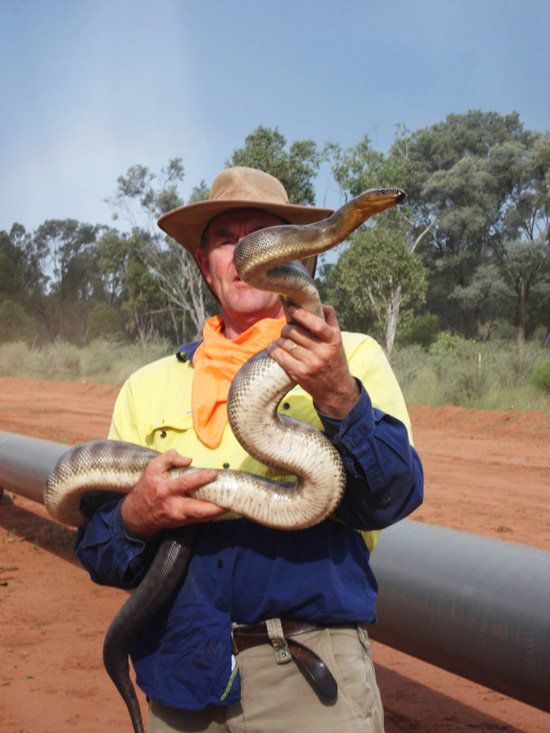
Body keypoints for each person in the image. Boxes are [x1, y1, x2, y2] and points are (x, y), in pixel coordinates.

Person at [75, 166, 423, 732]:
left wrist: (337, 395)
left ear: (298, 258)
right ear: (204, 264)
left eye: (262, 236)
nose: (243, 254)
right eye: (224, 239)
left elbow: (391, 497)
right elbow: (100, 551)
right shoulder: (147, 386)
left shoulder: (349, 358)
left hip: (307, 682)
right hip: (180, 680)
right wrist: (136, 516)